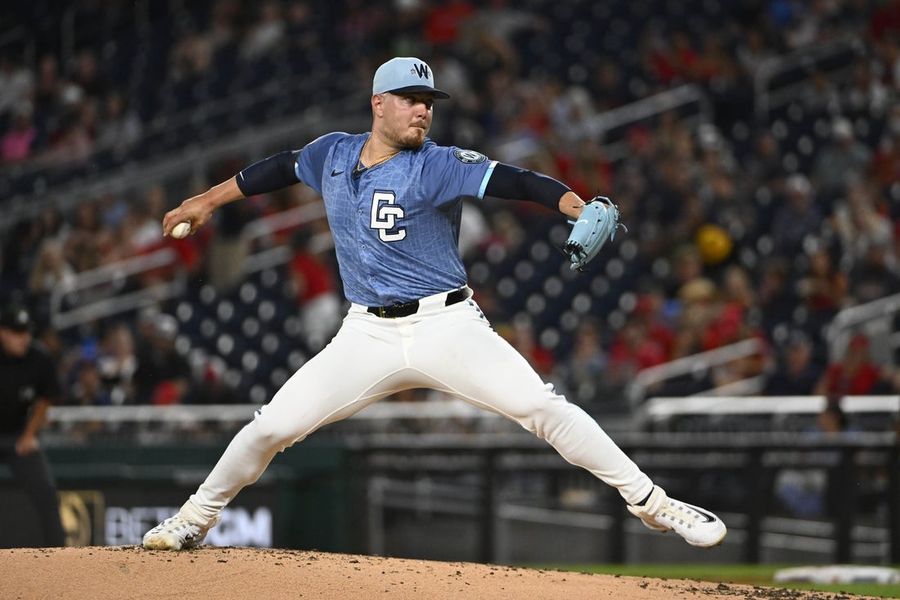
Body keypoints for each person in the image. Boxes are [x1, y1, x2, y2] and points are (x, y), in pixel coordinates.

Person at [143, 57, 726, 551]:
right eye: (411, 99)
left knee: (542, 408)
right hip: (364, 335)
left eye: (429, 101)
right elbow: (276, 169)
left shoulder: (437, 164)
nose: (424, 110)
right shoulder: (333, 154)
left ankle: (653, 503)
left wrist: (574, 206)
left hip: (446, 325)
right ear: (378, 104)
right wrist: (208, 199)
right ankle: (196, 519)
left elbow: (516, 181)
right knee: (269, 427)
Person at [0, 303, 65, 547]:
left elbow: (46, 397)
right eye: (17, 332)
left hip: (18, 435)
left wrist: (29, 434)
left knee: (46, 492)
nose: (24, 338)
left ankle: (59, 555)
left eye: (26, 332)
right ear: (2, 332)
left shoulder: (38, 357)